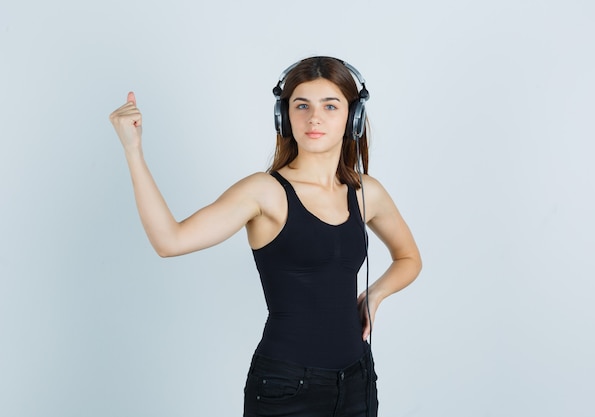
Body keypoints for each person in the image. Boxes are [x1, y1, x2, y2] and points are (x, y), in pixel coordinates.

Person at [109, 56, 422, 417]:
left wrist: (373, 296)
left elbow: (409, 258)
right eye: (301, 105)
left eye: (330, 106)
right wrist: (133, 151)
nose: (314, 117)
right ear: (284, 115)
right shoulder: (264, 192)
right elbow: (170, 240)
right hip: (287, 389)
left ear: (353, 117)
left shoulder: (367, 192)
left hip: (358, 382)